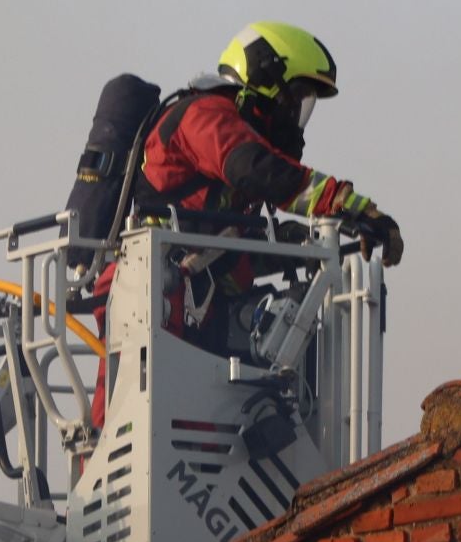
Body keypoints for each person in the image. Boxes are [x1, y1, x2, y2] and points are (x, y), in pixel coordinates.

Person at [87, 22, 401, 424]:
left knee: (195, 428)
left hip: (191, 307)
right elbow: (255, 169)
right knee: (129, 424)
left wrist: (288, 246)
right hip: (155, 299)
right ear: (266, 78)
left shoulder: (228, 130)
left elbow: (224, 245)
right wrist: (347, 205)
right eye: (297, 98)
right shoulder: (204, 115)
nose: (297, 115)